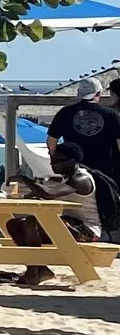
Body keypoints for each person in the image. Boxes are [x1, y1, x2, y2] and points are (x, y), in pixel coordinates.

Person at [9, 139, 105, 287]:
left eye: (57, 161)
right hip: (70, 223)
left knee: (31, 223)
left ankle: (34, 271)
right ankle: (39, 269)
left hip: (86, 230)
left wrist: (24, 180)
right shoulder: (66, 178)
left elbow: (49, 194)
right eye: (52, 160)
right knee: (14, 224)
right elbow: (49, 192)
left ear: (72, 161)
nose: (52, 164)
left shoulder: (80, 178)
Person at [47, 76, 120, 232]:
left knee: (77, 208)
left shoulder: (65, 112)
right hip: (105, 172)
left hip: (76, 171)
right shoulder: (111, 114)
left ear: (79, 94)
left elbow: (52, 141)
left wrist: (55, 159)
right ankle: (104, 235)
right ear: (98, 93)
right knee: (104, 209)